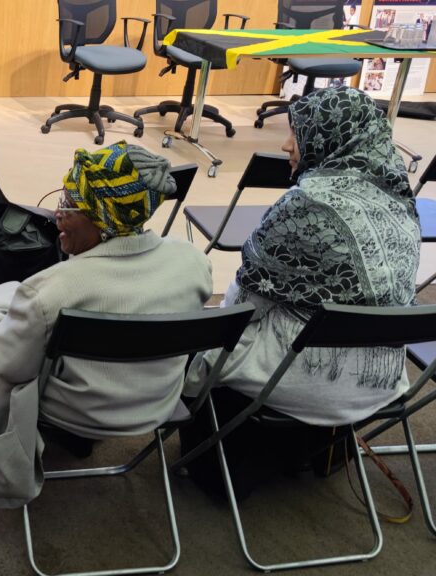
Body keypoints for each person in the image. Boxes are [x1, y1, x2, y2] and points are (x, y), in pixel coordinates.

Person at [180, 87, 421, 500]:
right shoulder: (400, 198)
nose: (287, 144)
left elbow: (243, 306)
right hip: (382, 381)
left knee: (193, 343)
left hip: (302, 380)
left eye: (298, 134)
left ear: (330, 137)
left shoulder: (305, 205)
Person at [0, 142, 213, 508]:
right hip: (156, 402)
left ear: (102, 218)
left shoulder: (52, 289)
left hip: (78, 408)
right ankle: (77, 442)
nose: (57, 213)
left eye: (70, 205)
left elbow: (9, 363)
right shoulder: (192, 262)